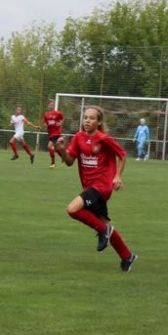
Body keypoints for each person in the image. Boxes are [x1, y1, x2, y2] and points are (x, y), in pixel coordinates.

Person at [54, 105, 137, 272]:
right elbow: (69, 162)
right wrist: (61, 150)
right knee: (103, 223)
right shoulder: (78, 137)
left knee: (72, 209)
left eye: (91, 118)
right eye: (85, 117)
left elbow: (122, 154)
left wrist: (118, 176)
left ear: (99, 122)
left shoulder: (103, 139)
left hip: (102, 186)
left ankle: (103, 231)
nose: (87, 121)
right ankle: (127, 256)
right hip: (90, 188)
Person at [40, 99, 65, 168]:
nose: (51, 106)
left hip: (56, 132)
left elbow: (63, 118)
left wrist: (60, 123)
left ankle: (53, 163)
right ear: (48, 106)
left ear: (54, 106)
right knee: (56, 149)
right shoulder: (46, 114)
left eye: (52, 105)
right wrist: (45, 125)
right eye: (50, 105)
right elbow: (44, 122)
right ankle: (63, 157)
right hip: (50, 133)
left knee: (49, 146)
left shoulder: (57, 113)